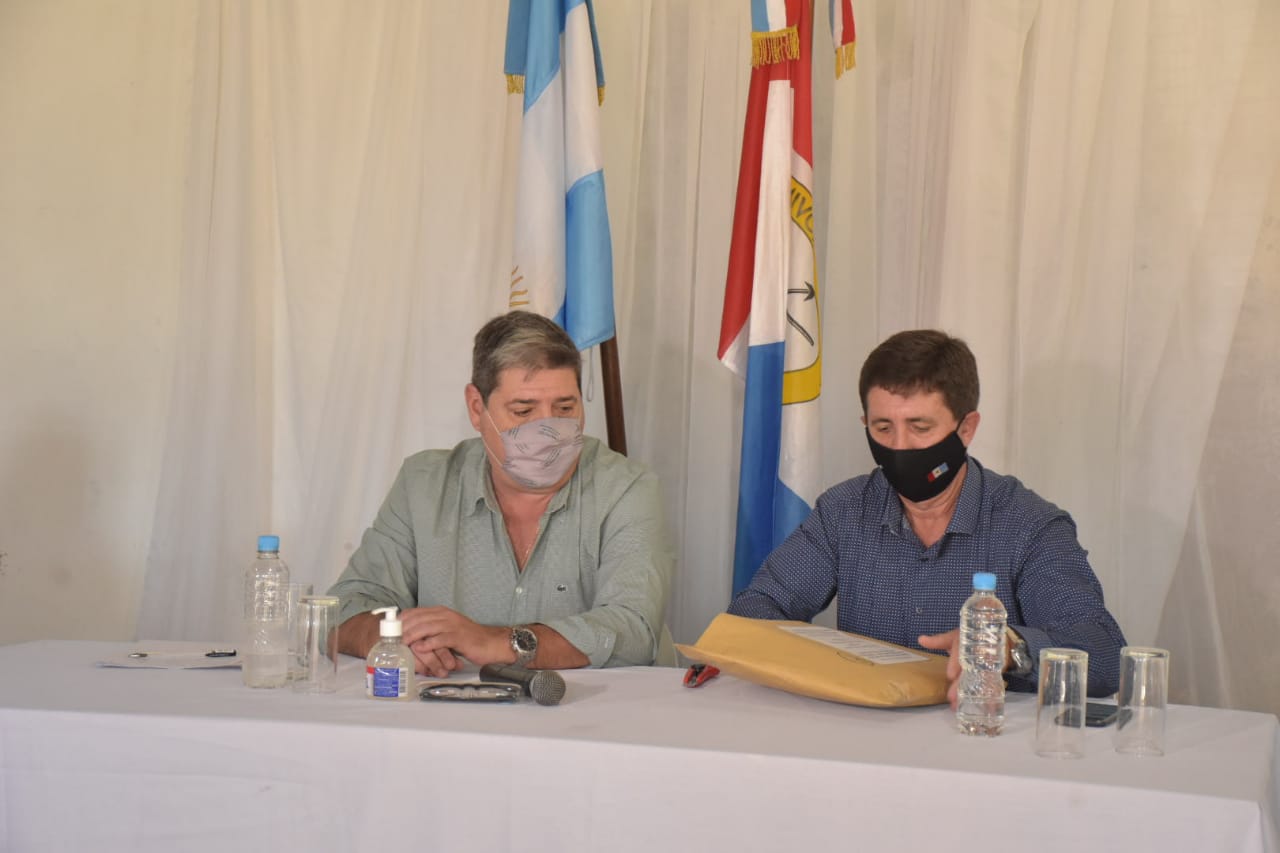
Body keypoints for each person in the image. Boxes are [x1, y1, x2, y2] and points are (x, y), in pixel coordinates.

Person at [728, 329, 1126, 701]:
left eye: (919, 427)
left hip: (980, 733)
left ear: (966, 429)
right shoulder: (844, 511)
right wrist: (820, 659)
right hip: (865, 736)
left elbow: (1104, 655)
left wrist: (1007, 647)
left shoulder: (1029, 525)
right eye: (883, 427)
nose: (899, 447)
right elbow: (755, 610)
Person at [328, 311, 674, 675]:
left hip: (598, 706)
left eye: (565, 408)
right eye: (523, 410)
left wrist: (498, 643)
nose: (549, 429)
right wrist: (393, 639)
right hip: (458, 704)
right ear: (477, 408)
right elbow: (343, 607)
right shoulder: (423, 486)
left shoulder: (628, 488)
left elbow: (635, 630)